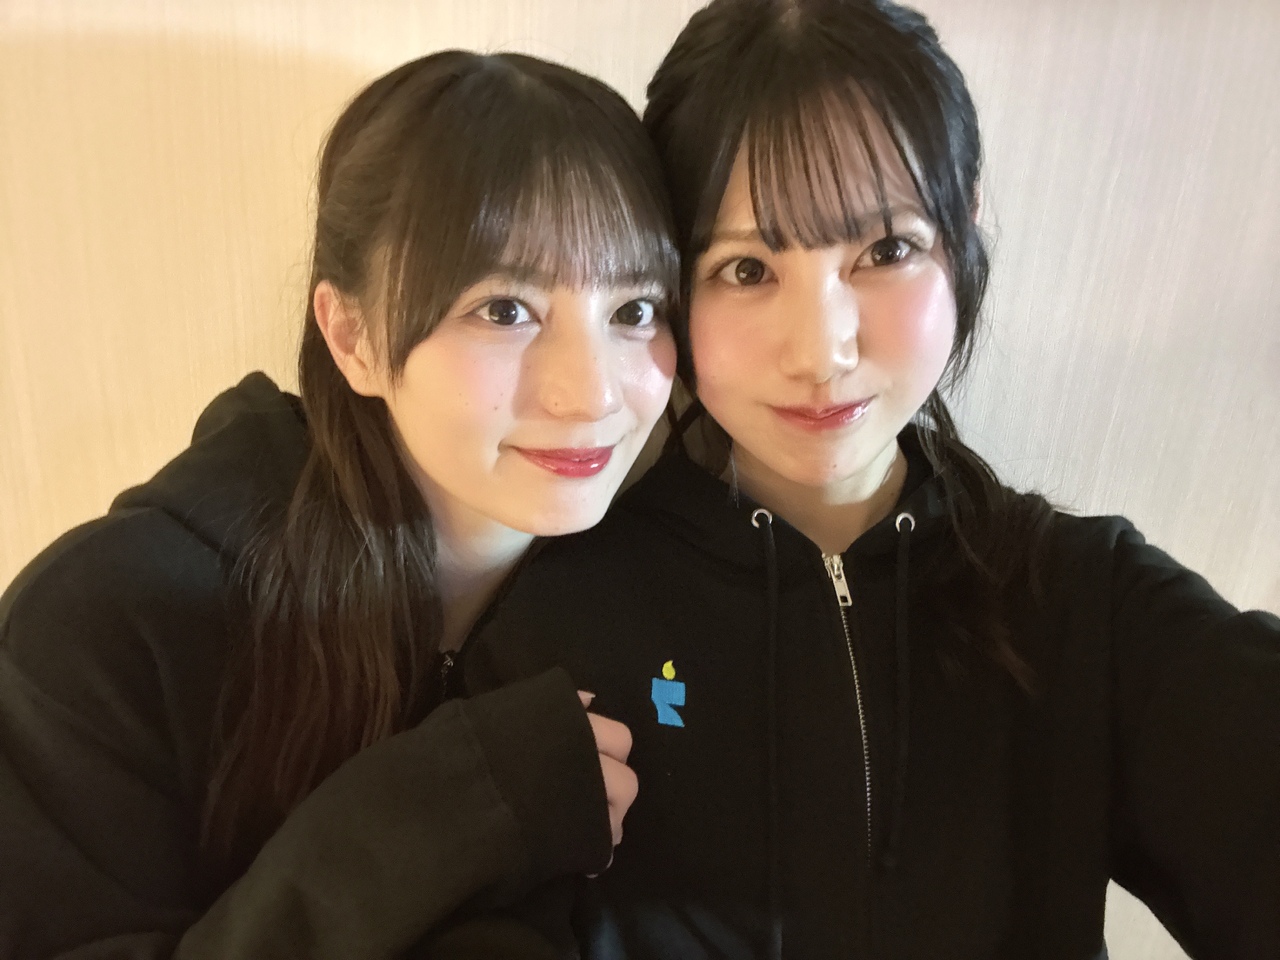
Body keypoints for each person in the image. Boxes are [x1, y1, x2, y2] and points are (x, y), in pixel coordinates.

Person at [462, 0, 1280, 957]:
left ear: (964, 229)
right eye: (746, 269)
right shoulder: (559, 618)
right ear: (671, 279)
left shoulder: (1082, 603)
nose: (822, 353)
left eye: (887, 251)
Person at [0, 50, 681, 959]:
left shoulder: (653, 604)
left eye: (634, 310)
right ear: (351, 335)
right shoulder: (109, 626)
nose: (592, 393)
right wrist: (440, 813)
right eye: (504, 310)